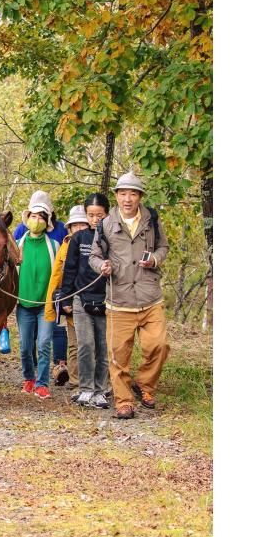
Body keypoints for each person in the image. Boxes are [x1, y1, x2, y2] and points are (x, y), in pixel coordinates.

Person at [89, 171, 170, 419]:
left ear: (139, 197)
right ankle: (124, 401)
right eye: (123, 193)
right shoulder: (105, 224)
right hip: (119, 298)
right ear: (116, 196)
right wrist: (101, 266)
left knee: (160, 345)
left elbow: (163, 247)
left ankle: (145, 385)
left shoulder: (152, 220)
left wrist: (155, 259)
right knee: (118, 355)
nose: (127, 199)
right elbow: (93, 255)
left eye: (132, 194)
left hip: (150, 297)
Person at [61, 193, 112, 409]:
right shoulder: (78, 239)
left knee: (103, 346)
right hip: (81, 299)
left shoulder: (113, 238)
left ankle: (101, 390)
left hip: (107, 300)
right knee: (85, 345)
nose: (95, 220)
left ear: (107, 215)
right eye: (91, 215)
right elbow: (69, 269)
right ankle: (85, 388)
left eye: (99, 215)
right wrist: (66, 297)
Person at [15, 190, 69, 384]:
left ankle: (43, 383)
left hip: (46, 304)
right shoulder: (18, 243)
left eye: (41, 216)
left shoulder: (55, 243)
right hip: (24, 303)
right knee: (25, 346)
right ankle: (28, 378)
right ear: (27, 217)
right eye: (34, 215)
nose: (37, 220)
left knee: (44, 343)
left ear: (48, 220)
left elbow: (62, 270)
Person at [43, 205, 90, 397]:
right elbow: (57, 276)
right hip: (70, 299)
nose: (79, 228)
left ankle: (92, 380)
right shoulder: (65, 246)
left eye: (82, 224)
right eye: (75, 225)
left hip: (92, 300)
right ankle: (75, 379)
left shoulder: (95, 243)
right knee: (74, 342)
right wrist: (55, 304)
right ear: (69, 228)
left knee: (90, 343)